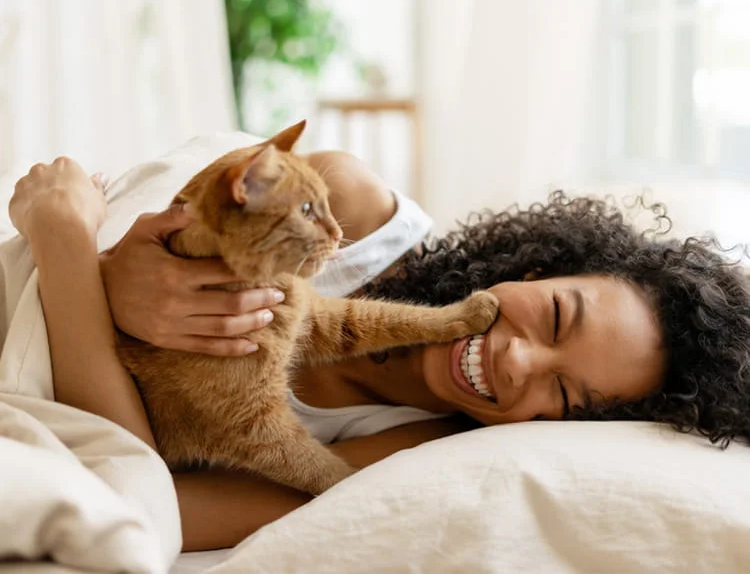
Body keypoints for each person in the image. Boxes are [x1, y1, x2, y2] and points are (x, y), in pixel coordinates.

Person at [8, 151, 750, 552]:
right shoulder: (351, 213)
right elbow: (163, 238)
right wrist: (101, 268)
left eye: (563, 397)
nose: (520, 363)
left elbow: (140, 494)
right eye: (556, 316)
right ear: (538, 268)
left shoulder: (412, 448)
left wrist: (67, 239)